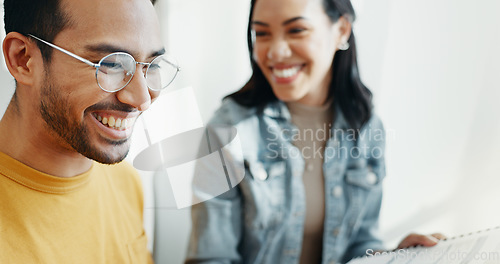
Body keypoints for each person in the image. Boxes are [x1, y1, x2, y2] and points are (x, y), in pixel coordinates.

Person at [186, 0, 442, 263]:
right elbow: (210, 257)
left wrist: (393, 257)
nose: (275, 51)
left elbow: (359, 243)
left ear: (341, 30)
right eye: (262, 33)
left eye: (296, 30)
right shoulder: (226, 131)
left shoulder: (366, 126)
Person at [0, 0, 179, 263]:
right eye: (113, 64)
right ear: (23, 59)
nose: (142, 99)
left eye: (152, 65)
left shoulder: (125, 181)